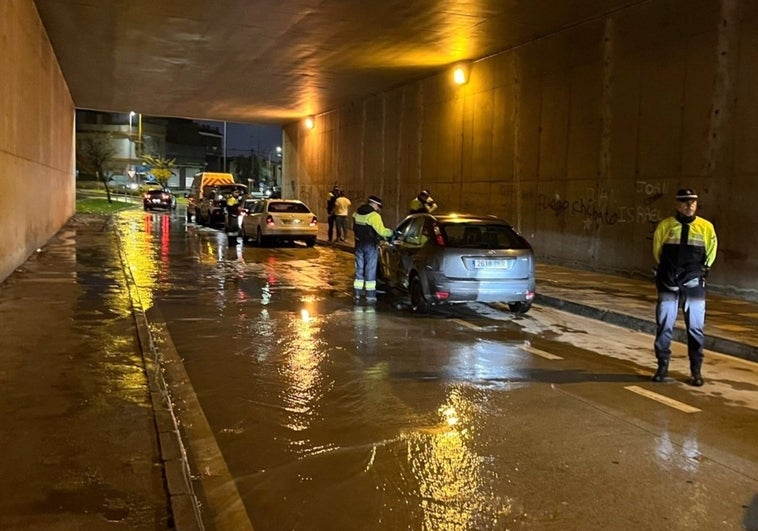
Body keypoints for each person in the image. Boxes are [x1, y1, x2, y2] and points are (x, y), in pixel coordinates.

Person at [651, 188, 717, 386]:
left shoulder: (706, 227)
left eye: (693, 202)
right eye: (685, 201)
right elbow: (657, 252)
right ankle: (662, 366)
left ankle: (696, 370)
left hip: (693, 284)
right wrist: (667, 273)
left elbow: (711, 253)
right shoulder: (666, 226)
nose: (689, 205)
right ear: (677, 204)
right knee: (664, 326)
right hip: (668, 282)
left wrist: (702, 271)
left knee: (695, 328)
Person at [353, 195, 393, 303]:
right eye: (378, 206)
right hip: (370, 245)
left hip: (359, 245)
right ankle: (370, 296)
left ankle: (357, 294)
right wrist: (392, 233)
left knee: (359, 269)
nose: (378, 209)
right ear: (374, 204)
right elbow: (381, 231)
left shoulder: (356, 213)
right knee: (370, 269)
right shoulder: (374, 216)